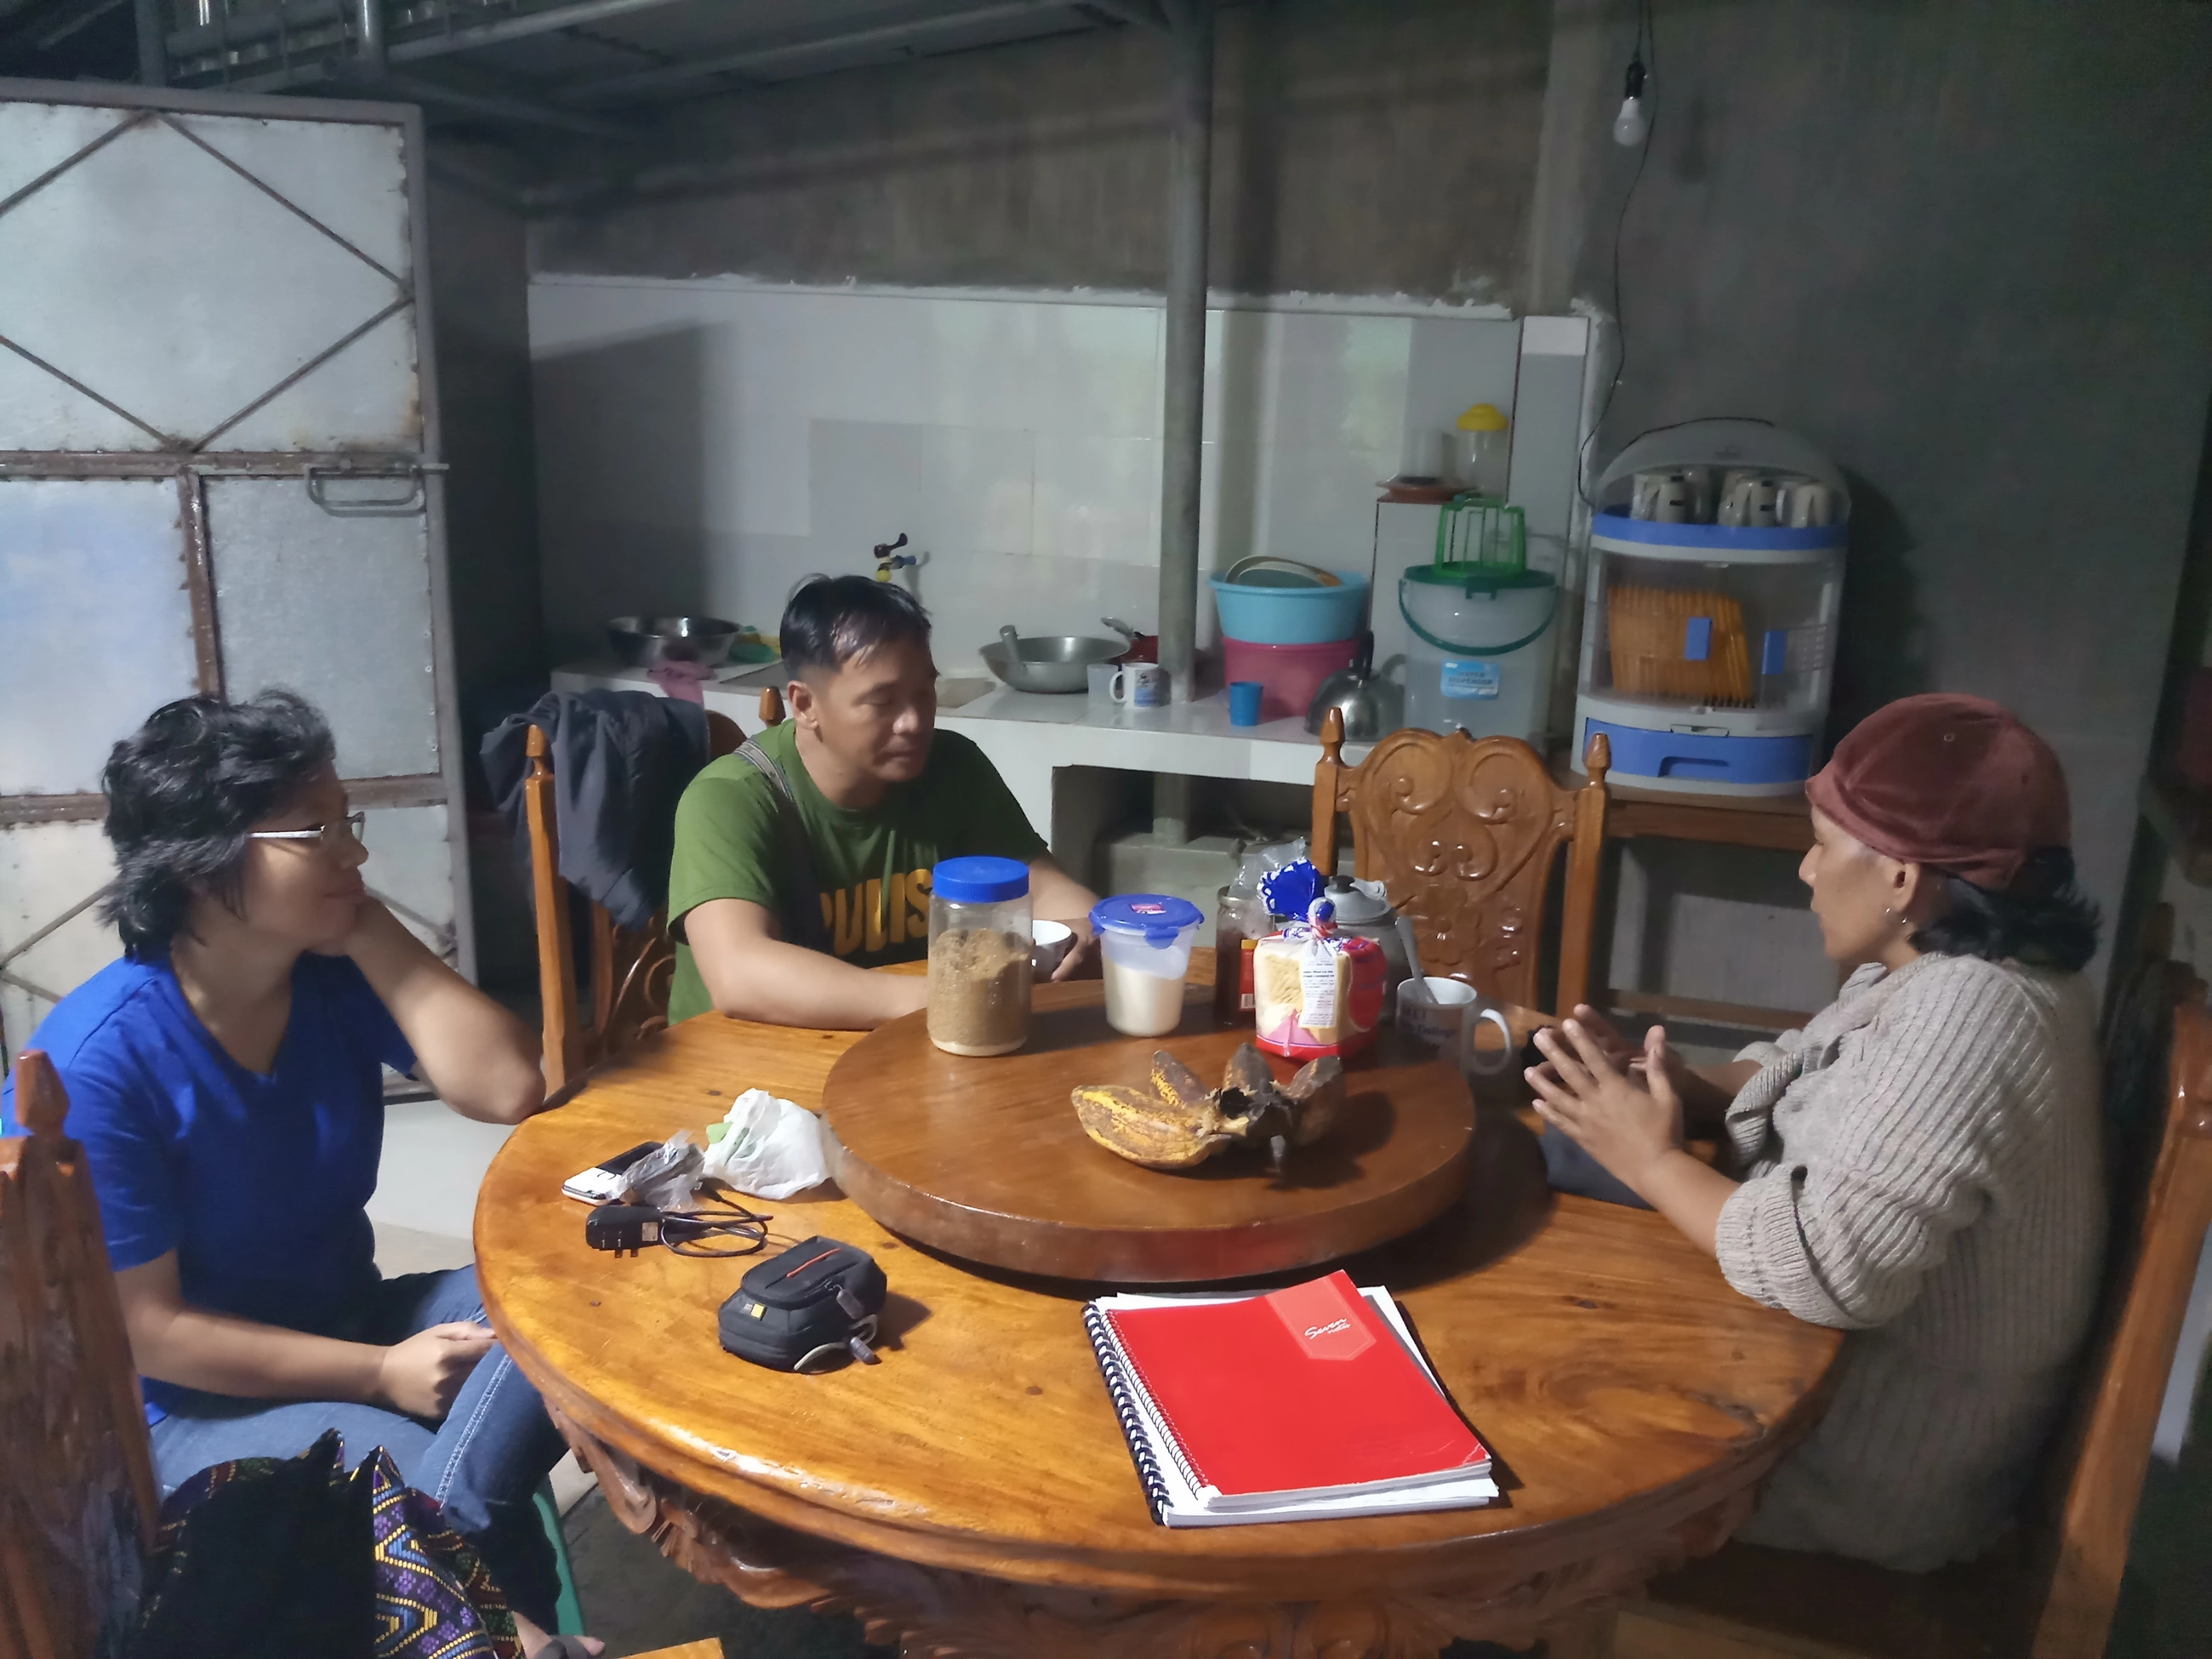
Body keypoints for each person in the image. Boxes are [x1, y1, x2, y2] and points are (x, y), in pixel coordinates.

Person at [0, 693, 594, 1659]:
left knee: (573, 1286)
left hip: (347, 1312)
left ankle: (479, 1592)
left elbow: (508, 1085)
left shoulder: (329, 974)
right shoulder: (102, 1063)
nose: (353, 851)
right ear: (200, 865)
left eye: (347, 822)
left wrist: (367, 927)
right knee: (407, 1475)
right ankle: (501, 1615)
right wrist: (380, 1376)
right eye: (316, 832)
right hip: (189, 1405)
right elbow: (151, 1333)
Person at [1525, 693, 2106, 1572]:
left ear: (1900, 878)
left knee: (1537, 1400)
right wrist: (1664, 1082)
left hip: (1857, 1465)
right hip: (1815, 1388)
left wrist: (1647, 1158)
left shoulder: (1971, 1013)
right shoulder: (1955, 965)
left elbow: (1824, 1268)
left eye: (1823, 845)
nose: (1805, 870)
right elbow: (1803, 1067)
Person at [669, 576, 1101, 1029]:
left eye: (924, 693)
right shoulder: (732, 797)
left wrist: (1084, 929)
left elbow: (1043, 888)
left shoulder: (952, 767)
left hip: (899, 1039)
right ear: (805, 704)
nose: (913, 723)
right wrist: (944, 997)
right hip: (743, 1056)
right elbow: (740, 974)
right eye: (883, 701)